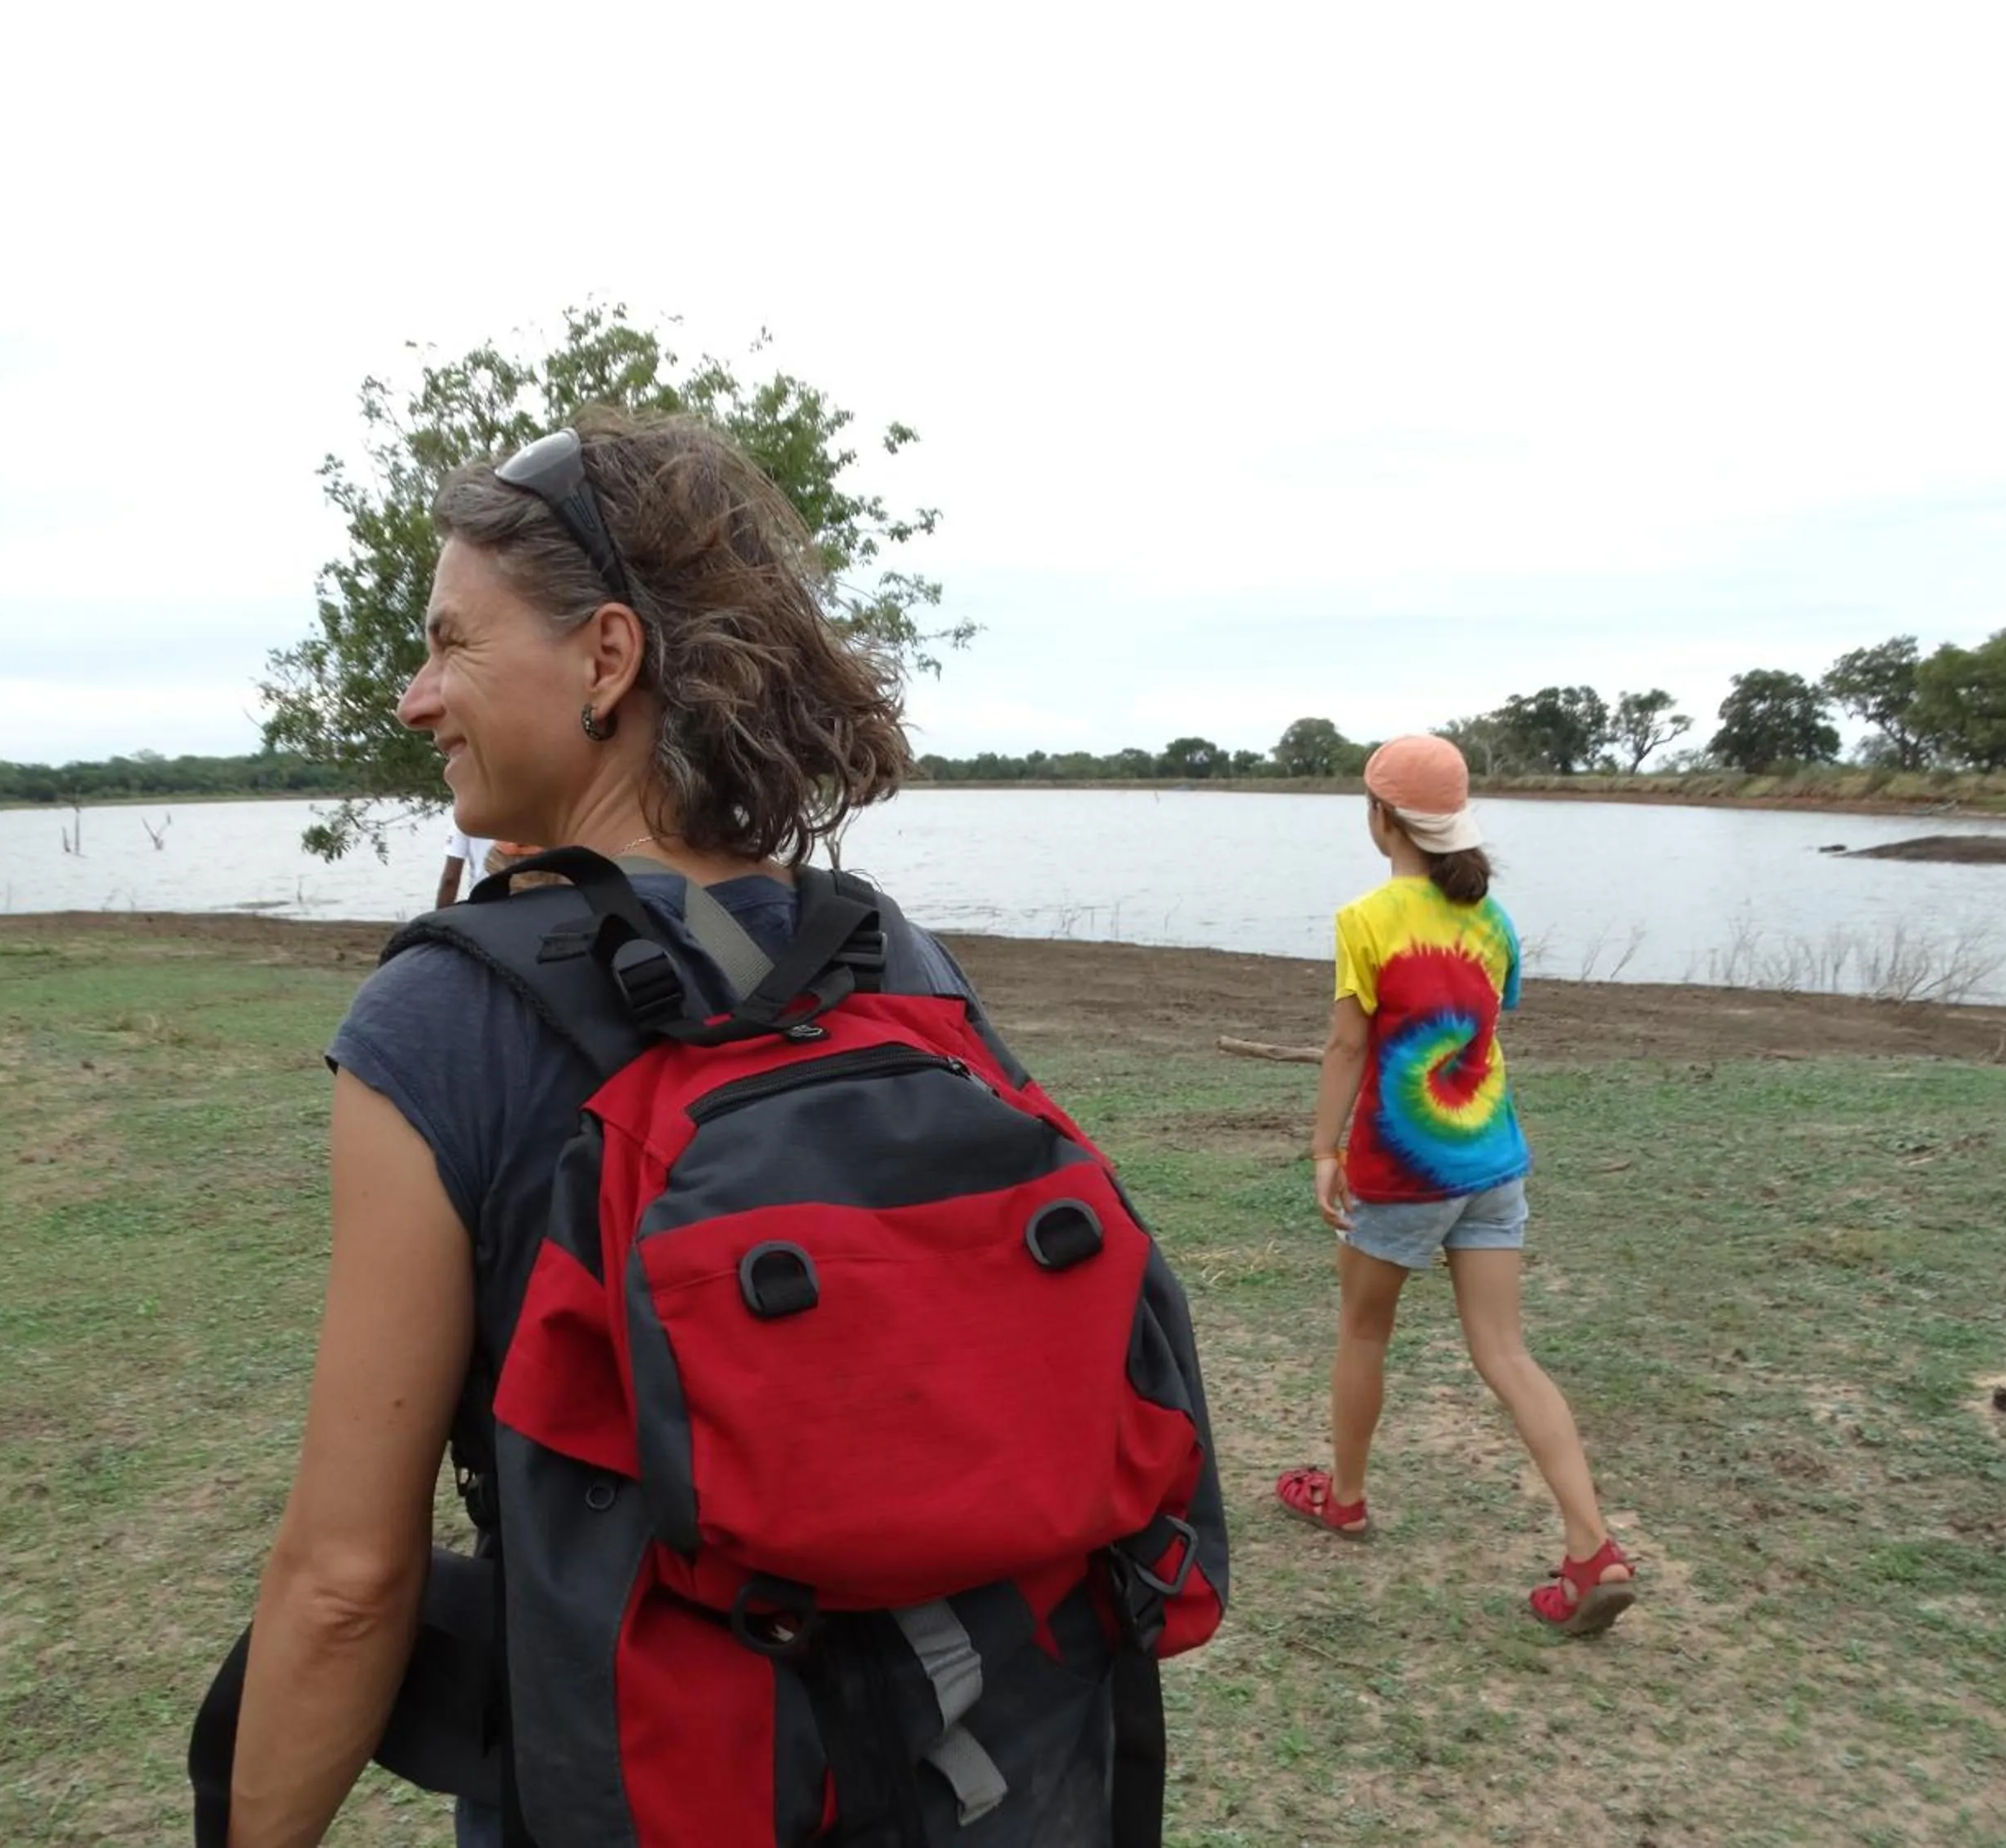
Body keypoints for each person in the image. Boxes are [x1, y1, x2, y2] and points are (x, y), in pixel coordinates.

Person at [210, 410, 1224, 1848]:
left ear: (607, 662)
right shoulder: (895, 961)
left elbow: (345, 1583)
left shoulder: (439, 1023)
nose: (414, 697)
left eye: (451, 643)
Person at [1276, 733, 1636, 1637]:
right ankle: (1591, 1545)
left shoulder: (1365, 920)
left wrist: (1324, 1149)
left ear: (1381, 818)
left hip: (1402, 1169)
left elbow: (1348, 1046)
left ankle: (1345, 1497)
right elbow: (1483, 1023)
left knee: (1362, 1332)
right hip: (1491, 1159)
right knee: (1508, 1355)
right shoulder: (1495, 920)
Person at [435, 815, 490, 907]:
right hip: (521, 904)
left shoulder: (465, 818)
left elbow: (450, 880)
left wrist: (439, 918)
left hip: (483, 903)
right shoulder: (521, 810)